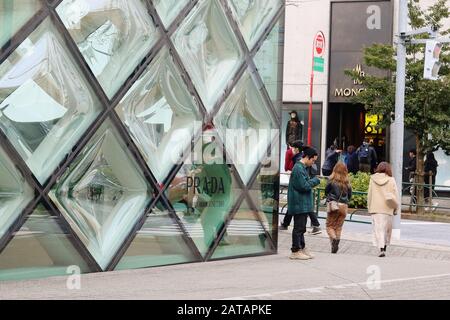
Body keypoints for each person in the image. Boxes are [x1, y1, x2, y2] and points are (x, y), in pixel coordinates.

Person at [287, 147, 321, 260]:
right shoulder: (298, 168)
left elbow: (304, 184)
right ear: (307, 157)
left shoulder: (301, 168)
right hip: (299, 203)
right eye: (313, 160)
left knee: (301, 228)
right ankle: (295, 250)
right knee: (298, 228)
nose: (313, 163)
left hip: (302, 203)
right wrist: (315, 180)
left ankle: (301, 247)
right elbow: (303, 186)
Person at [367, 162, 399, 258]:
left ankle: (380, 248)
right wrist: (396, 208)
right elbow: (396, 194)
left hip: (375, 208)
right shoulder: (391, 180)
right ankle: (384, 247)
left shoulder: (373, 179)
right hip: (388, 208)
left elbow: (370, 194)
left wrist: (369, 207)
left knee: (378, 229)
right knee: (386, 229)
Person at [325, 162, 352, 254]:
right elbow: (350, 195)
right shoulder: (347, 182)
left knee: (329, 226)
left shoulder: (331, 180)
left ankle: (334, 240)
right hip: (344, 206)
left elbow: (326, 191)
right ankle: (336, 242)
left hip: (334, 205)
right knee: (338, 227)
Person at [280, 140, 304, 230]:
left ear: (296, 149)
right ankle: (286, 223)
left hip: (296, 184)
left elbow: (287, 163)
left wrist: (287, 169)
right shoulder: (301, 156)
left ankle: (315, 224)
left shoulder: (297, 158)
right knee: (293, 204)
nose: (292, 149)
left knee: (294, 203)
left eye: (293, 148)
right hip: (298, 184)